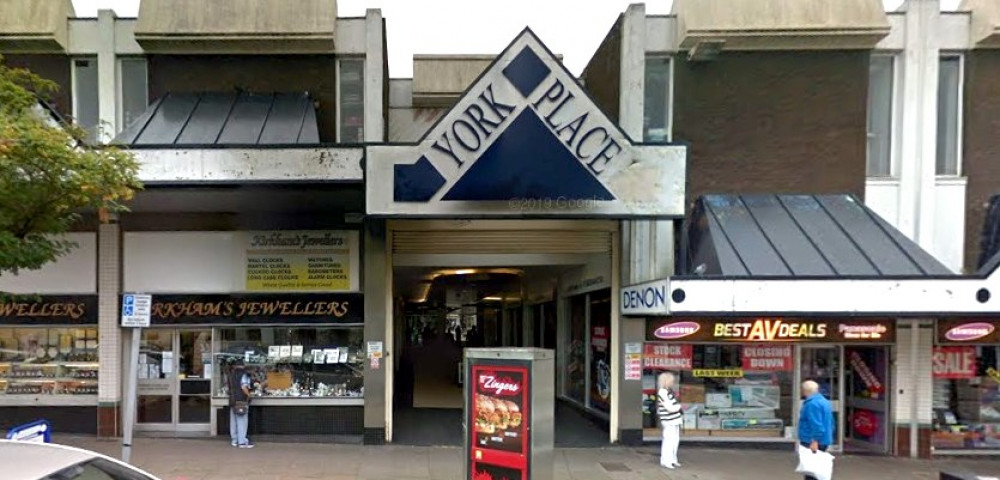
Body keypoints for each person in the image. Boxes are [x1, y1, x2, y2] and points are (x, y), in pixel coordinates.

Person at [798, 380, 834, 480]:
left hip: (812, 441)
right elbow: (830, 422)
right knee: (817, 469)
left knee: (811, 470)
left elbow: (816, 424)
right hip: (823, 439)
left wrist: (814, 440)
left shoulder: (811, 404)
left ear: (805, 391)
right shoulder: (824, 402)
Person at [657, 372, 683, 469]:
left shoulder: (668, 391)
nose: (673, 382)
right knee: (669, 441)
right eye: (671, 381)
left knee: (674, 440)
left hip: (674, 420)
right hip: (669, 420)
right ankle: (666, 460)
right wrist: (679, 407)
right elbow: (669, 407)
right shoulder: (663, 392)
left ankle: (672, 459)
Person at [228, 361, 254, 448]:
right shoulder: (244, 374)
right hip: (241, 400)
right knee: (242, 421)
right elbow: (244, 387)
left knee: (233, 421)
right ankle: (242, 442)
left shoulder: (231, 374)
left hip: (232, 400)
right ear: (243, 366)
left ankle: (234, 440)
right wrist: (249, 395)